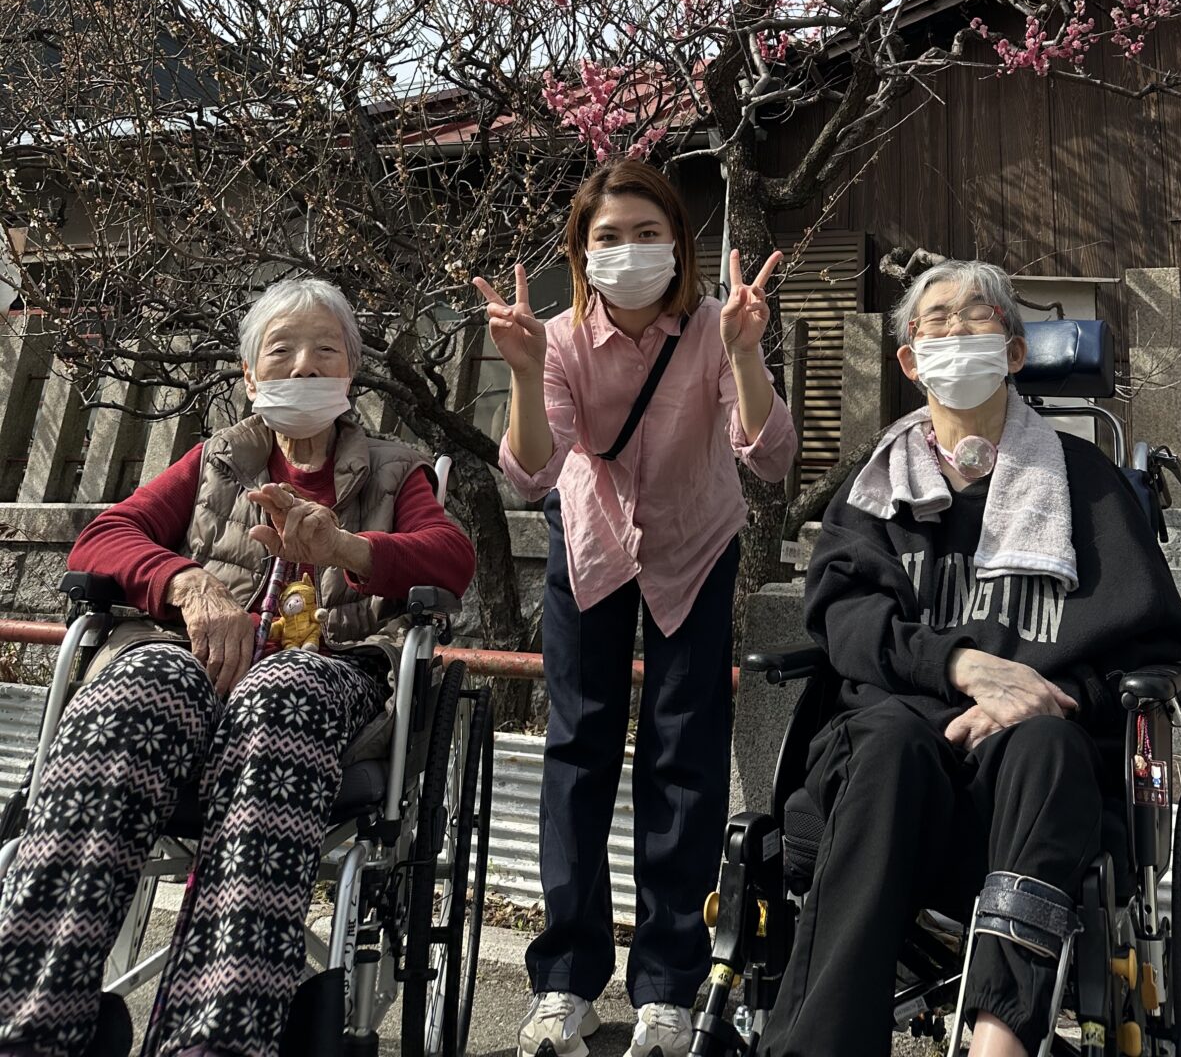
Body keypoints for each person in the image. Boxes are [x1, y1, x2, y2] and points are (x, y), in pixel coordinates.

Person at [0, 275, 475, 1057]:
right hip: (191, 669)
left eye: (325, 353)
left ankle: (219, 1035)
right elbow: (102, 539)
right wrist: (187, 585)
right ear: (250, 376)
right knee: (139, 689)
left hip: (318, 682)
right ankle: (31, 1023)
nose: (303, 369)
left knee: (280, 690)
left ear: (350, 375)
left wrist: (346, 549)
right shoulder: (216, 460)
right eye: (280, 354)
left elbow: (451, 560)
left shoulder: (397, 470)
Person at [759, 260, 1181, 1057]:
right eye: (936, 321)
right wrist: (959, 666)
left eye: (979, 319)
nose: (957, 334)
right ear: (907, 359)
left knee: (1043, 745)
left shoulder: (1089, 487)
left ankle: (1001, 1036)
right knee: (889, 741)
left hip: (1029, 785)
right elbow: (847, 620)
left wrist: (1056, 698)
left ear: (1014, 352)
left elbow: (1154, 652)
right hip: (893, 777)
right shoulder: (873, 492)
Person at [478, 160, 797, 1057]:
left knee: (685, 756)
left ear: (678, 246)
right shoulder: (559, 337)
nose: (627, 251)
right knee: (577, 751)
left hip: (694, 548)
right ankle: (565, 981)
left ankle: (669, 982)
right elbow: (535, 470)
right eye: (606, 237)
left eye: (646, 233)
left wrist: (744, 352)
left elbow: (768, 455)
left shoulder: (713, 327)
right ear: (580, 254)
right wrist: (523, 372)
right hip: (591, 550)